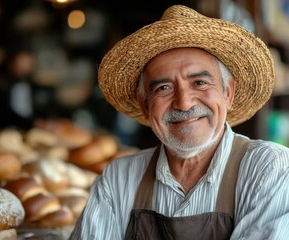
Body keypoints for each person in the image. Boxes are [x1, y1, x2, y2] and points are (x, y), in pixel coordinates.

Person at [69, 5, 289, 240]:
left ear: (228, 94)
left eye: (199, 83)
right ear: (145, 105)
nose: (184, 103)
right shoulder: (118, 179)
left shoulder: (269, 169)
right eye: (164, 88)